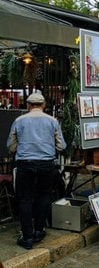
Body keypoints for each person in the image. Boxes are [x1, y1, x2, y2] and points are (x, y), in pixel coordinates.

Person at [7, 93, 66, 250]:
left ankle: (27, 237)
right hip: (46, 164)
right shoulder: (53, 121)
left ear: (28, 106)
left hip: (25, 164)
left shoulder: (18, 121)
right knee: (43, 195)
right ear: (43, 105)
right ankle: (39, 230)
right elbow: (62, 146)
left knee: (24, 199)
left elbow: (11, 146)